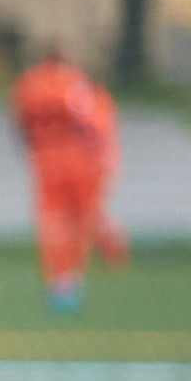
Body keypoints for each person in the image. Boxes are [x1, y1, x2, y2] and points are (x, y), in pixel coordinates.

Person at [11, 41, 127, 312]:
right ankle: (77, 273)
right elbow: (92, 124)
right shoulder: (73, 83)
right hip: (77, 160)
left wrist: (32, 152)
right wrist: (106, 159)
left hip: (44, 160)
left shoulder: (27, 84)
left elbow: (20, 125)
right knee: (80, 219)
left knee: (53, 222)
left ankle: (60, 281)